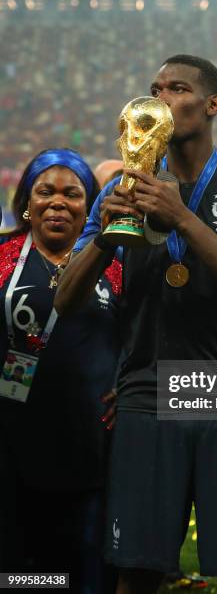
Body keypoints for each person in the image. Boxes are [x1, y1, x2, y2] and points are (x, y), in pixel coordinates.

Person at [55, 54, 217, 594]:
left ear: (212, 105)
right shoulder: (125, 191)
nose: (160, 98)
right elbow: (66, 302)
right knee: (136, 571)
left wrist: (183, 216)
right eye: (154, 89)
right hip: (145, 393)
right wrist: (105, 237)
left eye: (177, 88)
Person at [0, 148, 122, 593]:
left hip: (91, 443)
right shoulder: (3, 255)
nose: (57, 202)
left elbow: (142, 338)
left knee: (87, 562)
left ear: (88, 205)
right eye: (44, 191)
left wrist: (126, 386)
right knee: (22, 566)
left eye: (72, 194)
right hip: (12, 441)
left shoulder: (115, 263)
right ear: (26, 203)